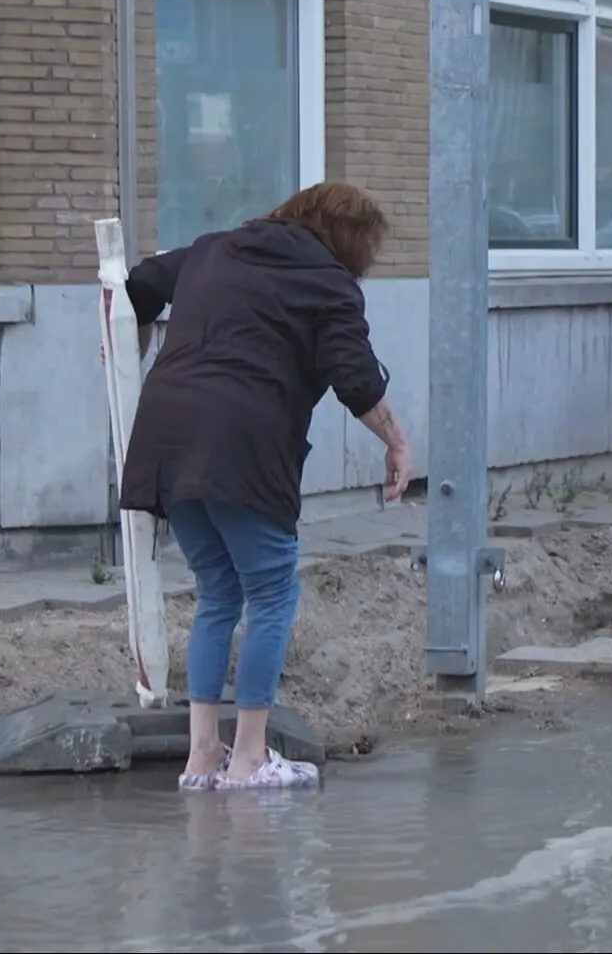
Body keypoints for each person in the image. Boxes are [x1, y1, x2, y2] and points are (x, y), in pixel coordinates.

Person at [120, 182, 413, 792]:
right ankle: (250, 758)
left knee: (219, 592)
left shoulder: (212, 249)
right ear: (348, 240)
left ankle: (202, 758)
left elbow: (137, 287)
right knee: (272, 592)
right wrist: (396, 440)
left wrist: (133, 344)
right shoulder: (327, 280)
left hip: (164, 434)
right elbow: (353, 376)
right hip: (241, 441)